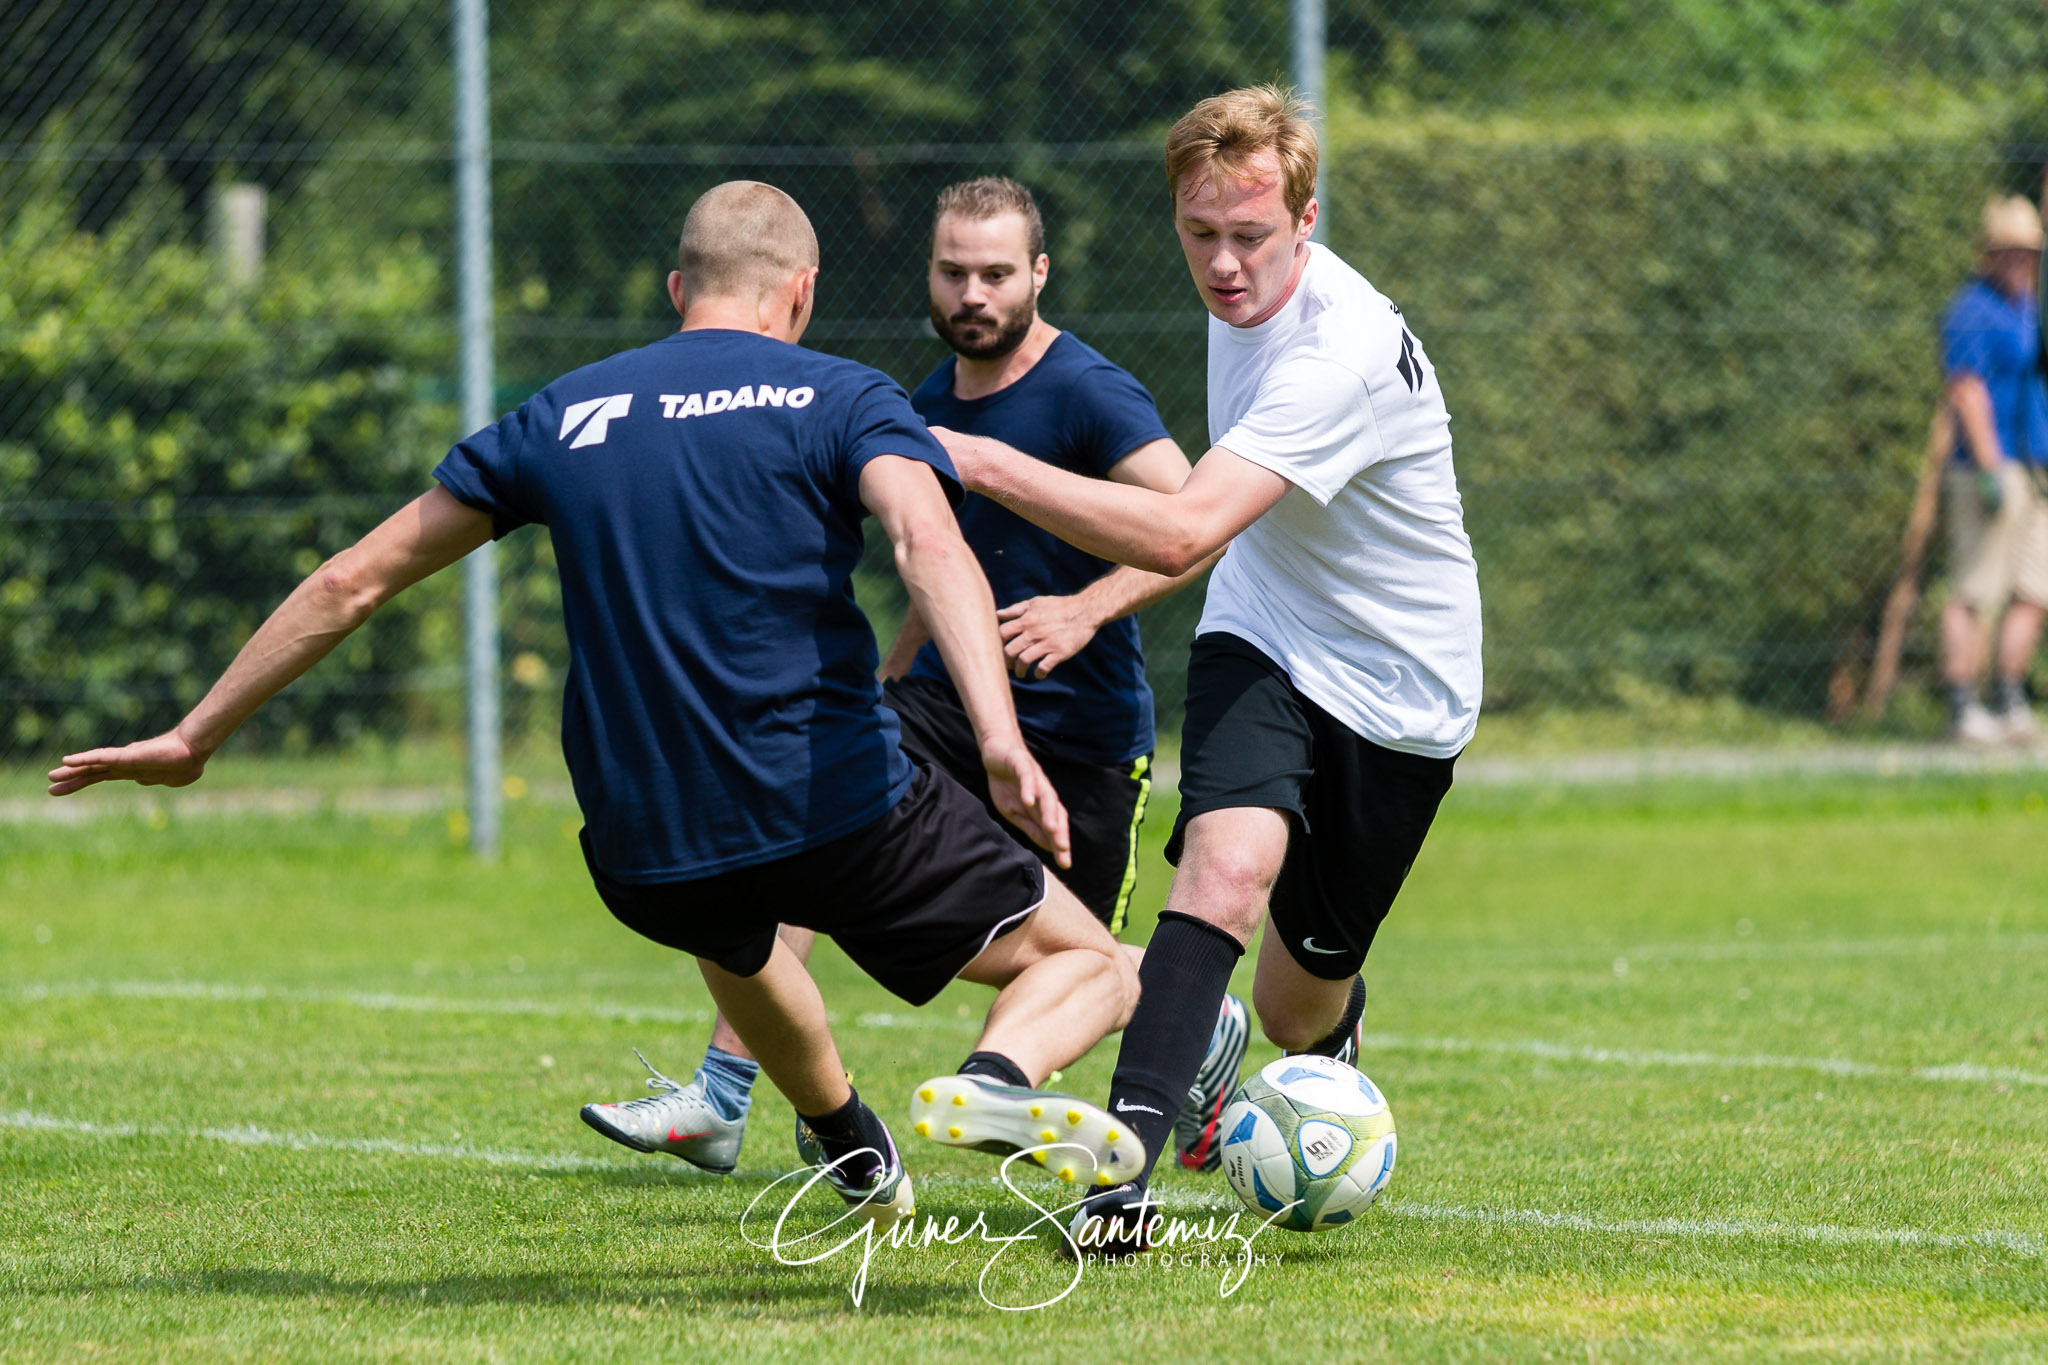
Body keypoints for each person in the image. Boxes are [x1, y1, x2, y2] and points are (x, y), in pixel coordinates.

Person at [47, 181, 1144, 1226]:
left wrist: (197, 736)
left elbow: (351, 579)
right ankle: (996, 1080)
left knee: (741, 938)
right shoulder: (841, 394)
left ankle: (850, 1142)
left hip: (642, 844)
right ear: (799, 291)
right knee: (1085, 960)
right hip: (832, 805)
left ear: (678, 290)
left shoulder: (565, 411)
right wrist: (998, 740)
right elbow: (925, 541)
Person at [580, 176, 1250, 1179]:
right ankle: (724, 1097)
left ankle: (1198, 1025)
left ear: (1037, 275)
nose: (971, 293)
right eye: (951, 272)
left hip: (1078, 736)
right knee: (813, 812)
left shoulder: (1086, 391)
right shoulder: (921, 401)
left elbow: (1195, 527)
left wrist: (1083, 609)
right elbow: (927, 562)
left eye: (993, 273)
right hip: (938, 704)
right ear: (927, 274)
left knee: (1091, 974)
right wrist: (880, 684)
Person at [934, 88, 1482, 1251]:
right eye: (1200, 235)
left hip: (1401, 689)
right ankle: (1118, 1184)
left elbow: (1180, 530)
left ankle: (1283, 1062)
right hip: (1265, 629)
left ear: (1306, 220)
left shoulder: (1338, 352)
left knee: (1297, 1005)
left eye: (1251, 237)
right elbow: (1216, 543)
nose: (1225, 266)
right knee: (1223, 875)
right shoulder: (1238, 294)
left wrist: (976, 460)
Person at [1937, 193, 2048, 745]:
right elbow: (1966, 389)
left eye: (2026, 252)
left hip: (2037, 468)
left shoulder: (2031, 309)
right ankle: (1962, 706)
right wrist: (1987, 467)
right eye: (2008, 252)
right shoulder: (1971, 311)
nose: (2019, 261)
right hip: (1991, 466)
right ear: (1989, 254)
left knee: (2034, 589)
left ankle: (2009, 698)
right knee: (1977, 588)